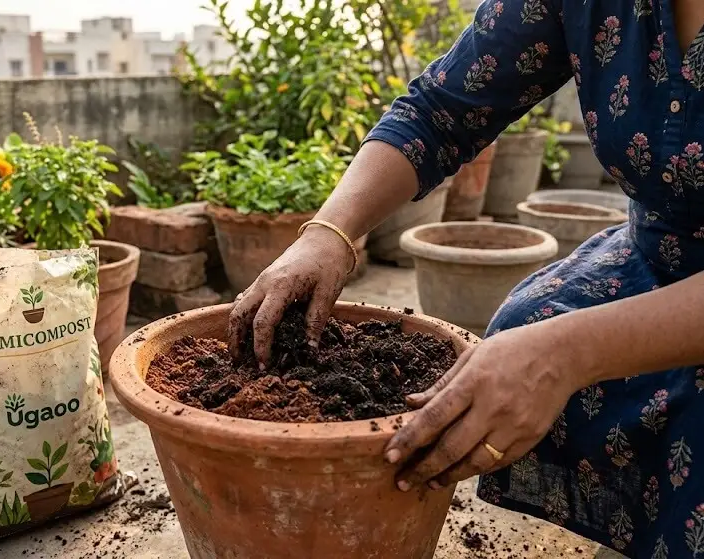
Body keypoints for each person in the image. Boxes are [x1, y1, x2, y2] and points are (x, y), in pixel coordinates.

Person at [228, 0, 704, 556]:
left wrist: (567, 354)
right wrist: (329, 233)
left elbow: (560, 354)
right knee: (524, 324)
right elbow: (440, 110)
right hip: (656, 252)